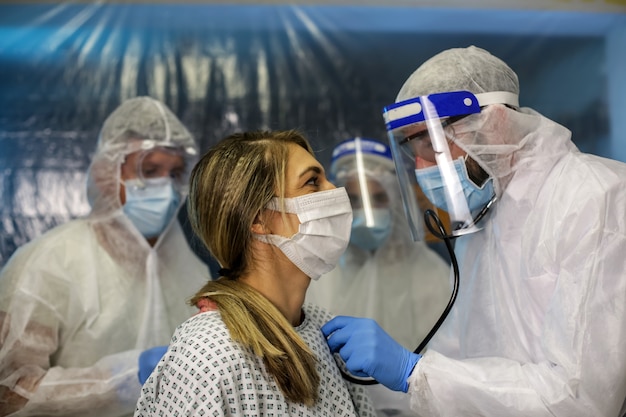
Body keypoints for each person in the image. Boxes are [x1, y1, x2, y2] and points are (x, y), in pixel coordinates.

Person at [321, 46, 626, 416]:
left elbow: (583, 399)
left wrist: (413, 373)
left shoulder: (594, 197)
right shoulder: (482, 224)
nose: (420, 168)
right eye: (412, 148)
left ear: (493, 123)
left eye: (430, 145)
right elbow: (461, 367)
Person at [134, 130, 377, 416]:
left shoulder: (320, 331)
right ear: (258, 218)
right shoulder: (208, 352)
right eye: (312, 182)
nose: (335, 191)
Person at [0, 96, 211, 417]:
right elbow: (9, 392)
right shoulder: (48, 263)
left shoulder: (192, 270)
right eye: (150, 170)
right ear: (107, 173)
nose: (166, 188)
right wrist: (127, 378)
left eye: (175, 174)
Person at [306, 137, 451, 416]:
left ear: (396, 201)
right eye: (354, 199)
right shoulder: (316, 272)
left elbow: (453, 369)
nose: (366, 212)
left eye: (378, 198)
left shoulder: (431, 273)